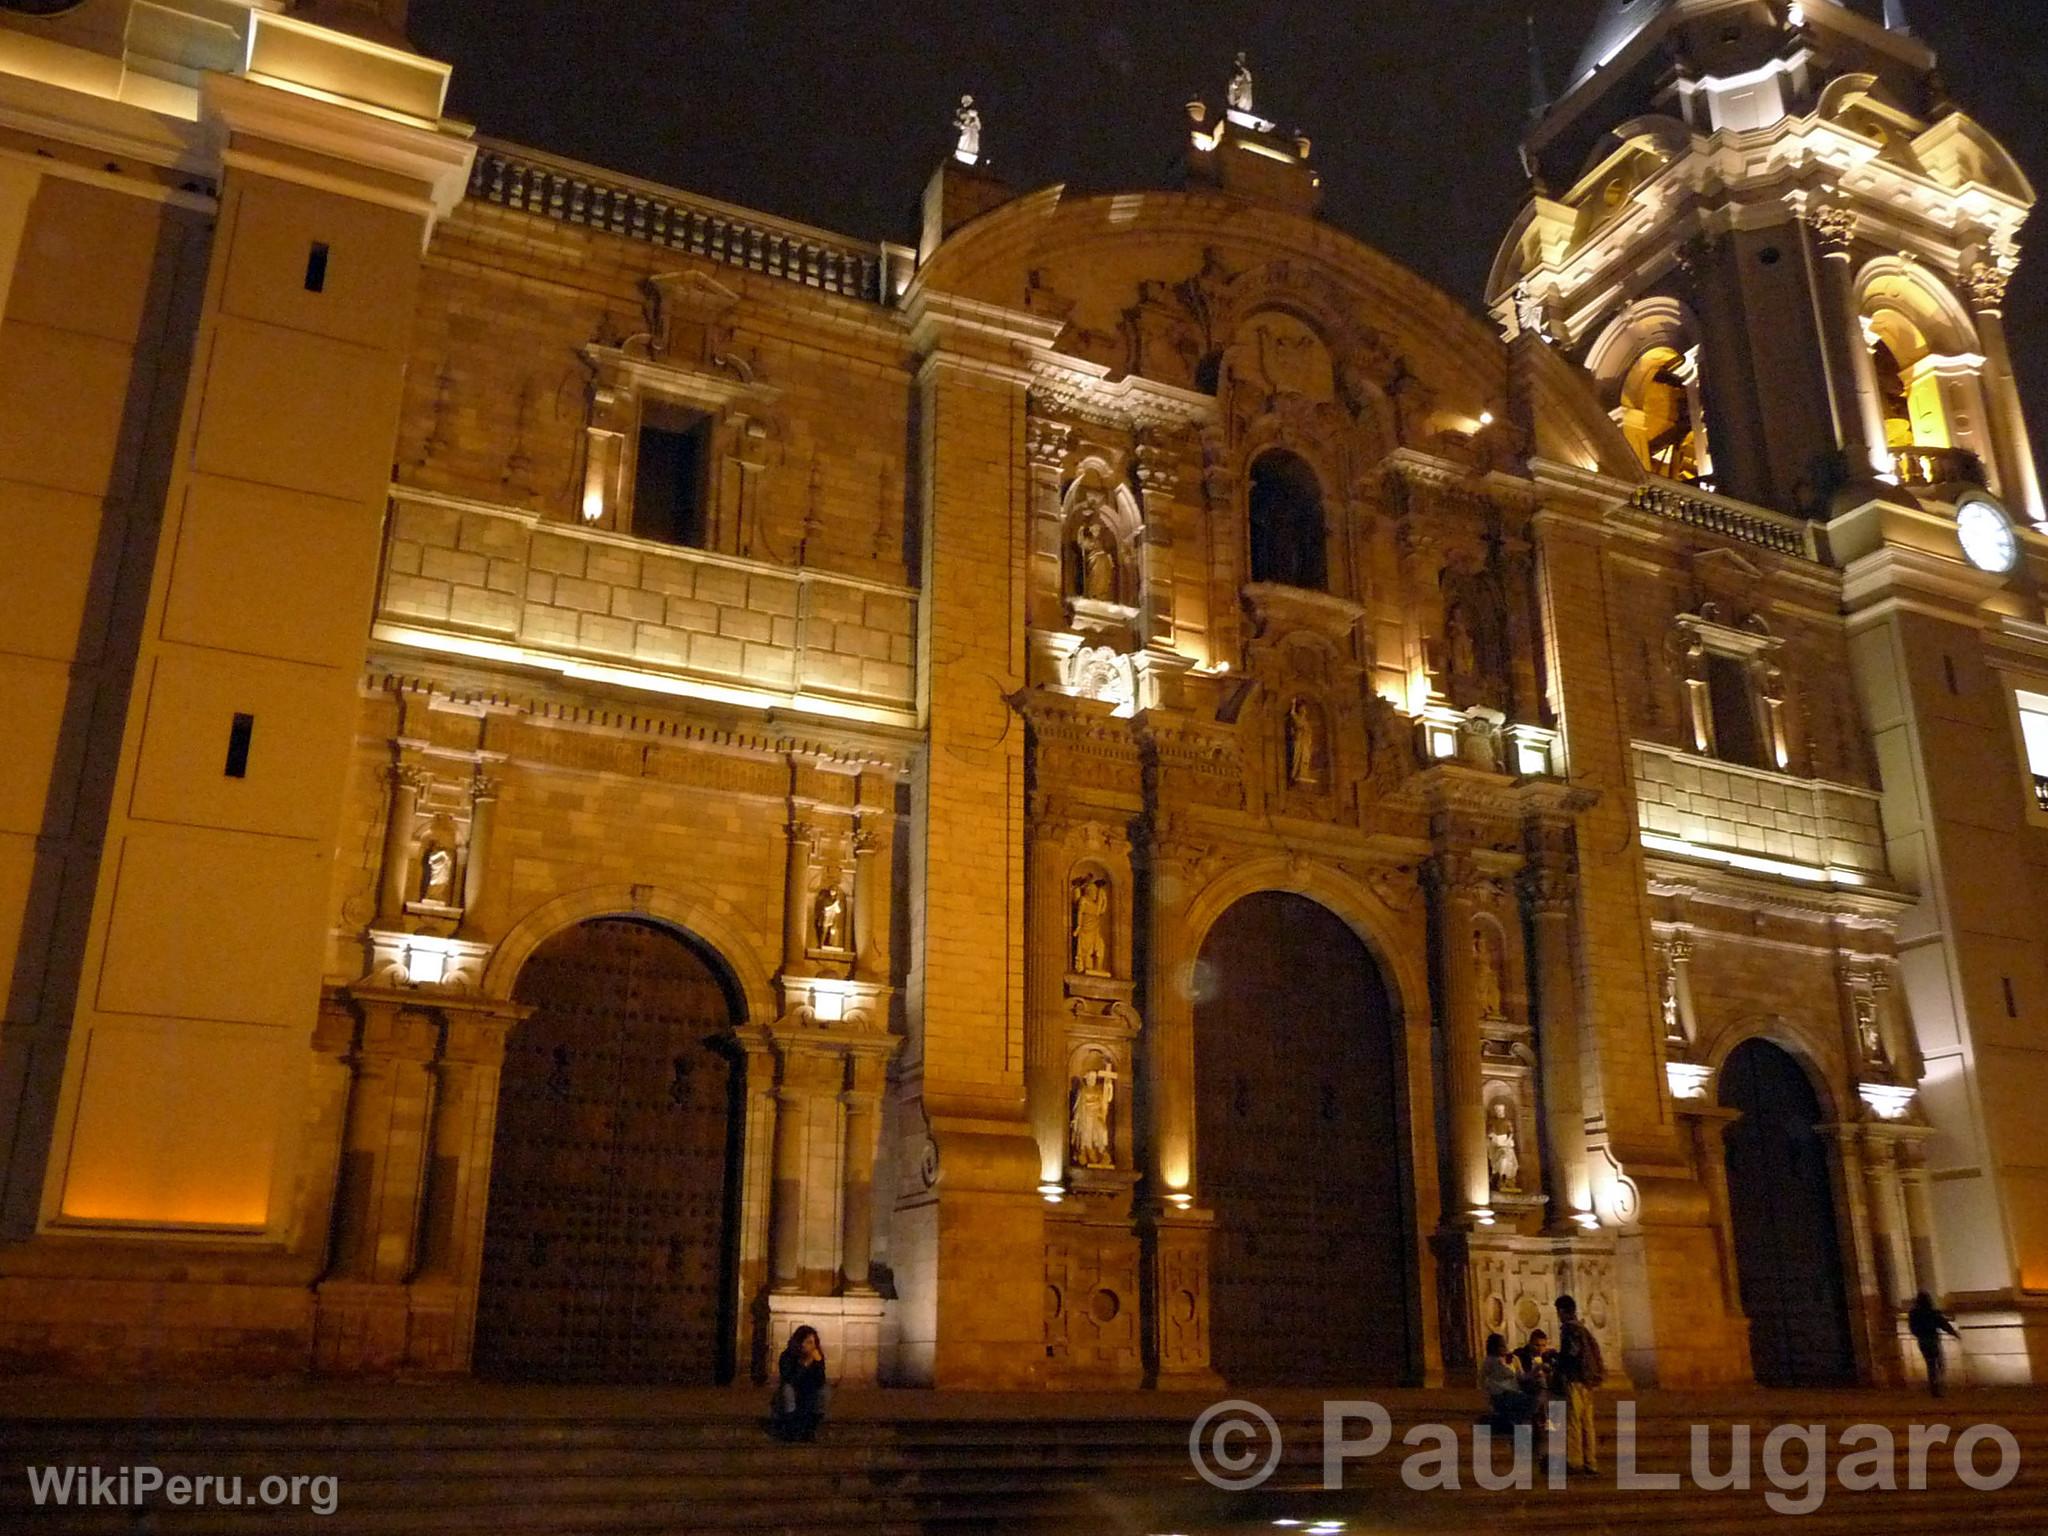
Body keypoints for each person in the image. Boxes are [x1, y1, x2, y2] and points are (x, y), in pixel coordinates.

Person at [1554, 1294, 1604, 1474]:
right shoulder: (1583, 1329)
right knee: (1587, 1423)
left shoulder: (1569, 1330)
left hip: (1575, 1380)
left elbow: (1572, 1353)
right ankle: (1591, 1462)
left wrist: (1558, 1363)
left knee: (1574, 1420)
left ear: (1562, 1311)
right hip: (1588, 1381)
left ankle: (1575, 1461)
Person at [770, 1326, 830, 1441]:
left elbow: (820, 1380)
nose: (813, 1346)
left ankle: (810, 1428)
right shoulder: (787, 1356)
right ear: (800, 1343)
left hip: (808, 1391)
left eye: (814, 1343)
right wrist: (804, 1364)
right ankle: (791, 1429)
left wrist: (817, 1365)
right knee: (787, 1390)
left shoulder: (817, 1357)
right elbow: (790, 1379)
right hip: (791, 1392)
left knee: (825, 1391)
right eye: (809, 1342)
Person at [1480, 1331, 1538, 1430]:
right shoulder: (1489, 1361)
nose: (1504, 1348)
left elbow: (1522, 1376)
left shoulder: (1514, 1359)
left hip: (1514, 1392)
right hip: (1499, 1394)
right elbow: (1482, 1379)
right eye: (1500, 1346)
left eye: (1504, 1345)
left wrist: (1536, 1371)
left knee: (1532, 1402)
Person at [1907, 1291, 1960, 1398]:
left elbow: (1913, 1328)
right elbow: (1943, 1323)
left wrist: (1919, 1334)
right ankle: (1937, 1386)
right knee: (1938, 1363)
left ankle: (1934, 1387)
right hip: (1932, 1339)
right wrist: (1954, 1333)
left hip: (1922, 1340)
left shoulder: (1914, 1313)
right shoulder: (1931, 1312)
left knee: (1930, 1364)